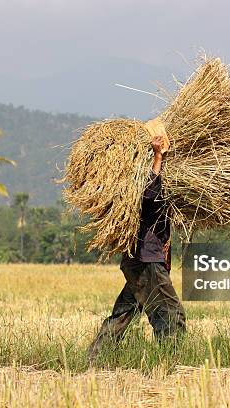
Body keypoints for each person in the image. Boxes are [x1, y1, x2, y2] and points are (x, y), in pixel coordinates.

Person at [87, 135, 187, 362]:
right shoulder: (142, 183)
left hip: (138, 260)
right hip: (146, 261)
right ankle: (169, 364)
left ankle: (95, 358)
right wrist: (158, 155)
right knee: (171, 314)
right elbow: (150, 191)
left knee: (125, 312)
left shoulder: (158, 187)